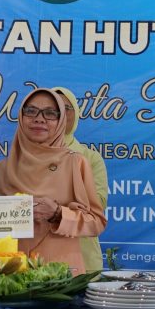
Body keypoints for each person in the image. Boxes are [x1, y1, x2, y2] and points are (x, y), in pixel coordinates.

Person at [0, 88, 107, 273]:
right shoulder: (1, 170)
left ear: (61, 121)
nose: (39, 119)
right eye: (31, 111)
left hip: (61, 276)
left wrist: (58, 213)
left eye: (50, 113)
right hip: (12, 275)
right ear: (21, 117)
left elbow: (96, 222)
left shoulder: (76, 163)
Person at [52, 86, 109, 272]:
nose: (60, 113)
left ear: (75, 114)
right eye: (53, 109)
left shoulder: (90, 158)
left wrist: (54, 207)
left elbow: (98, 204)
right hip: (39, 257)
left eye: (66, 108)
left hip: (82, 256)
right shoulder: (27, 158)